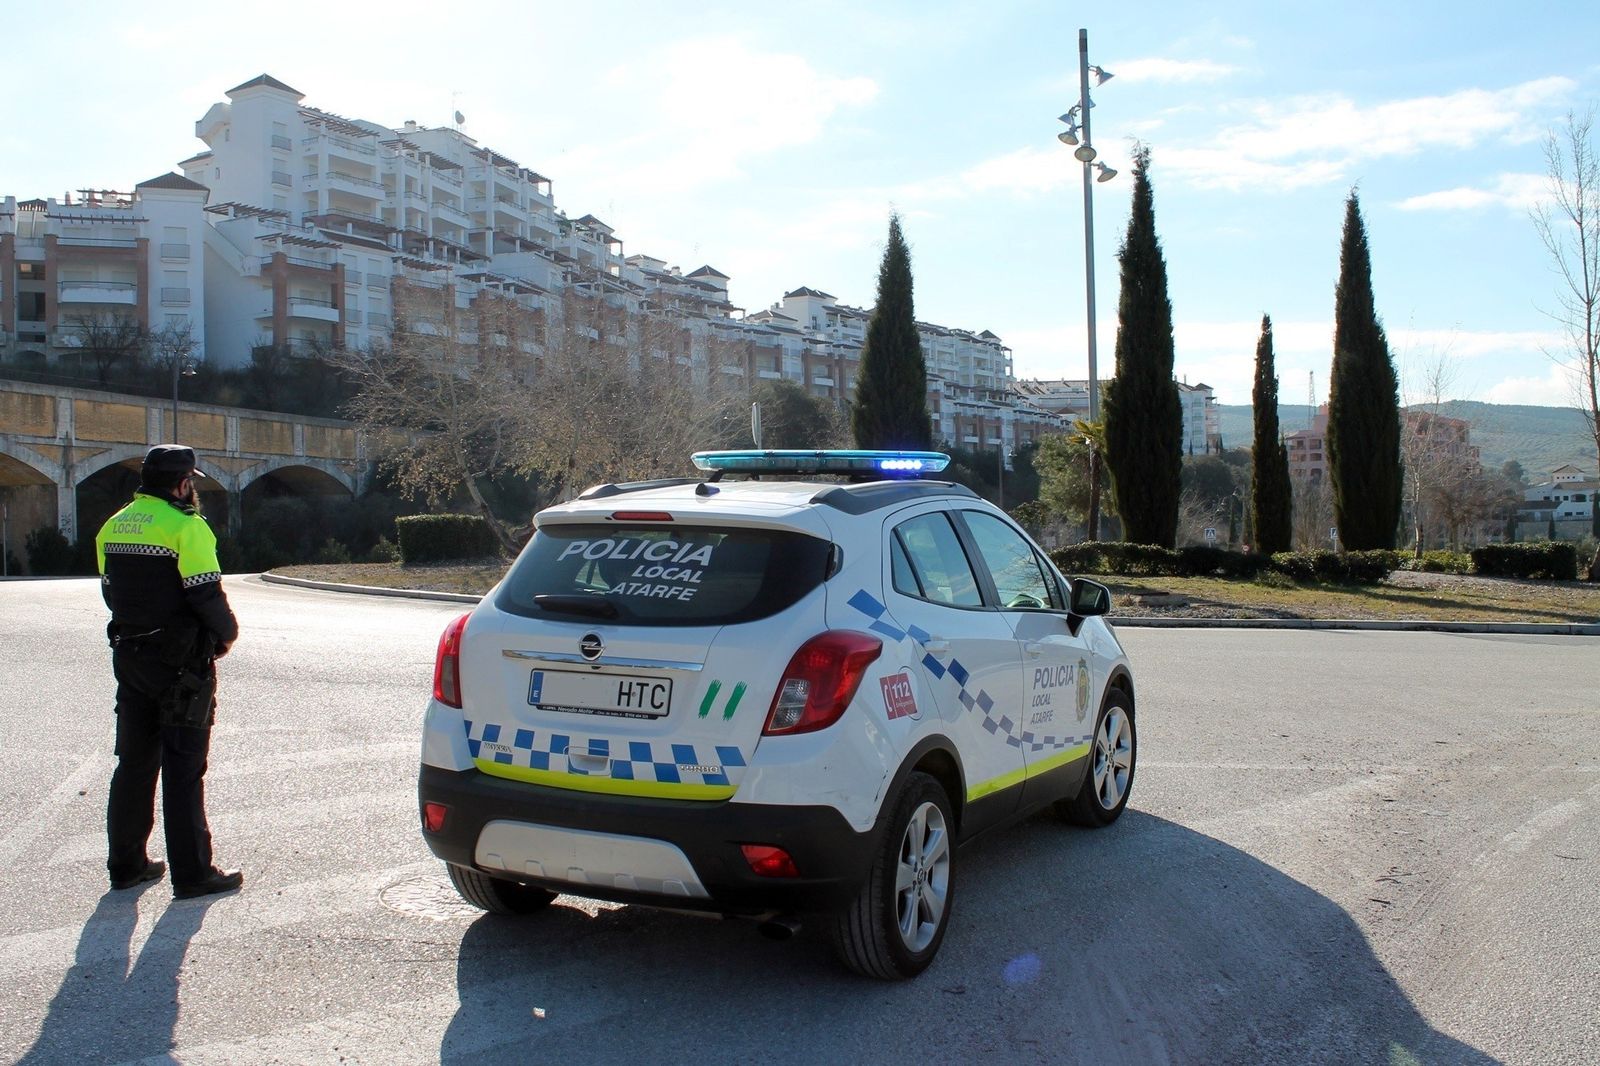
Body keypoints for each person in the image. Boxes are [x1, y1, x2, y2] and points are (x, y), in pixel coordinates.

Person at [96, 444, 242, 900]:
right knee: (183, 768)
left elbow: (109, 592)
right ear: (182, 485)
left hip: (130, 656)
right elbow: (206, 595)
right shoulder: (187, 526)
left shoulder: (114, 525)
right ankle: (193, 873)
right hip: (182, 666)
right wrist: (227, 635)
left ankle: (127, 865)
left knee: (134, 763)